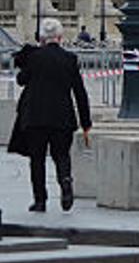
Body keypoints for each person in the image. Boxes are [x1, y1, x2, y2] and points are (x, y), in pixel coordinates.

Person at [8, 17, 92, 212]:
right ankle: (65, 183)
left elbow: (21, 80)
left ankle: (40, 201)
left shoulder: (34, 57)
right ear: (61, 37)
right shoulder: (69, 59)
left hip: (35, 116)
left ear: (43, 38)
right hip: (62, 117)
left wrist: (28, 57)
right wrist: (86, 122)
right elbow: (79, 92)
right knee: (61, 155)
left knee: (37, 159)